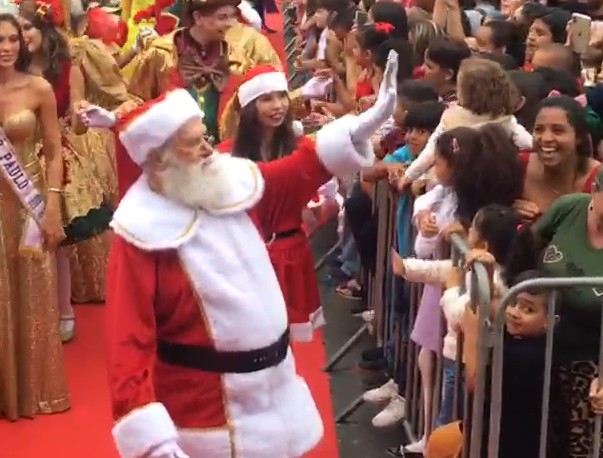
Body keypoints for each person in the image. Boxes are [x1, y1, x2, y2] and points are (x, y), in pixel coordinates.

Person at [83, 52, 399, 458]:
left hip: (275, 396)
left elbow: (294, 171)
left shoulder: (225, 181)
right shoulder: (141, 233)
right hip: (206, 418)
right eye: (194, 143)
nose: (209, 149)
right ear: (160, 157)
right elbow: (127, 344)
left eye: (205, 137)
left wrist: (359, 127)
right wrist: (153, 441)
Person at [18, 0, 114, 340]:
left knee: (54, 240)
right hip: (16, 158)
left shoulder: (67, 69)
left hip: (56, 158)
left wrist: (82, 117)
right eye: (19, 30)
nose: (22, 35)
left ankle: (64, 310)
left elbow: (76, 123)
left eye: (28, 28)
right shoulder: (11, 70)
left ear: (44, 30)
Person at [217, 65, 330, 342]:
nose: (278, 106)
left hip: (290, 255)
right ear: (249, 106)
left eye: (281, 96)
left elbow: (321, 202)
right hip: (243, 259)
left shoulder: (303, 149)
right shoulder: (226, 156)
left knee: (284, 342)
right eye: (267, 99)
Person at [0, 12, 70, 420]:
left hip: (27, 206)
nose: (6, 47)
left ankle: (29, 390)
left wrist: (55, 206)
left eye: (12, 39)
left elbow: (55, 150)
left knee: (28, 294)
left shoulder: (39, 88)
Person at [535, 166, 603, 457]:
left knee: (584, 447)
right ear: (595, 190)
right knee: (543, 440)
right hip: (543, 351)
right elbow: (525, 250)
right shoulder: (568, 208)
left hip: (591, 366)